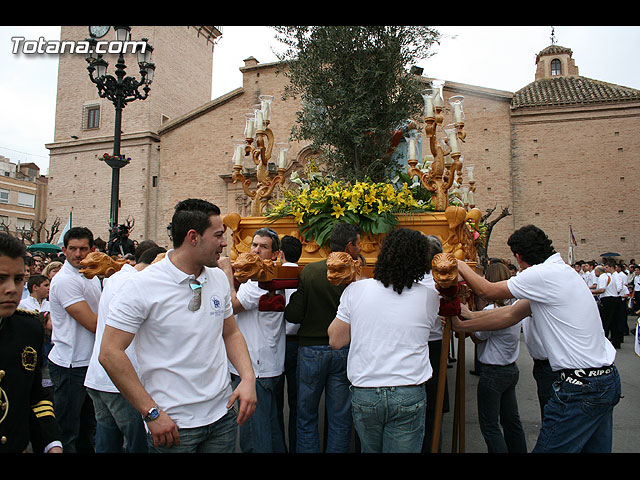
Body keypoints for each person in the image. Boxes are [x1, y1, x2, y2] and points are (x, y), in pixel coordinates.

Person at [99, 199, 257, 453]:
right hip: (173, 425)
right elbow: (109, 352)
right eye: (218, 235)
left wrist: (248, 378)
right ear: (193, 237)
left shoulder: (216, 278)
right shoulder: (142, 286)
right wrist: (151, 413)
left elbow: (230, 332)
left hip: (222, 417)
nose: (225, 243)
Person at [452, 224, 620, 453]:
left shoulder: (543, 274)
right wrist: (467, 321)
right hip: (605, 379)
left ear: (519, 258)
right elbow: (511, 314)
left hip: (581, 386)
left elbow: (486, 291)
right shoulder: (560, 273)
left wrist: (459, 264)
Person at [328, 228, 440, 453]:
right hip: (408, 389)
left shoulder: (357, 290)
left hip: (366, 390)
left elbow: (335, 340)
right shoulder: (430, 297)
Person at [284, 222, 361, 453]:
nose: (360, 249)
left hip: (310, 351)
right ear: (349, 246)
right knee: (340, 417)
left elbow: (294, 314)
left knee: (306, 415)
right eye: (358, 245)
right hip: (343, 350)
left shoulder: (311, 271)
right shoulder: (356, 276)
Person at [84, 245, 166, 453]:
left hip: (98, 377)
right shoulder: (137, 284)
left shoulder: (115, 279)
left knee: (106, 440)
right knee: (137, 442)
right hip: (121, 380)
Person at [219, 227, 287, 453]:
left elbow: (231, 307)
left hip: (255, 369)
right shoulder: (270, 274)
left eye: (263, 247)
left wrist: (228, 275)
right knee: (270, 430)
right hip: (267, 366)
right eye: (254, 245)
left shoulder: (260, 280)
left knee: (255, 439)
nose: (257, 250)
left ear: (275, 254)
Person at [0, 233, 62, 453]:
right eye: (0, 279)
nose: (11, 289)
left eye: (18, 279)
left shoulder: (28, 328)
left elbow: (36, 398)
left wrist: (52, 444)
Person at [48, 226, 102, 453]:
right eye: (73, 249)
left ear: (92, 250)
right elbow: (91, 323)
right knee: (68, 430)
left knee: (87, 428)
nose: (78, 254)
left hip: (88, 362)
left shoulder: (89, 274)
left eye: (83, 249)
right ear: (64, 250)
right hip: (70, 365)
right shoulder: (64, 281)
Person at [470, 262, 527, 453]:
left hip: (493, 371)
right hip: (510, 368)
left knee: (490, 424)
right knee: (511, 421)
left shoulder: (490, 311)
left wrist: (469, 319)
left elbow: (479, 337)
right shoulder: (515, 306)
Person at [418, 235, 450, 453]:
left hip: (420, 345)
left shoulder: (415, 282)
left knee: (420, 405)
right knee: (432, 407)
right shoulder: (442, 283)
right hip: (435, 346)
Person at [276, 235, 302, 453]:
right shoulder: (305, 275)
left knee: (275, 402)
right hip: (298, 345)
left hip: (278, 342)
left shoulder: (274, 275)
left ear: (280, 253)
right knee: (297, 403)